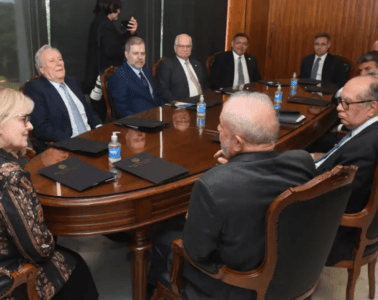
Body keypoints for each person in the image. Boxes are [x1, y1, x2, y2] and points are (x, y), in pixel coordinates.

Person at [147, 91, 316, 299]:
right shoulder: (302, 162)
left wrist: (194, 214)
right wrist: (236, 168)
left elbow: (196, 252)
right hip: (288, 270)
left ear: (237, 142)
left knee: (163, 238)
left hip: (237, 286)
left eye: (221, 127)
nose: (218, 130)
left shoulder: (213, 185)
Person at [0, 86, 99, 300]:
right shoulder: (7, 174)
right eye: (23, 120)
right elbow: (40, 250)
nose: (30, 126)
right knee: (75, 266)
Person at [313, 75, 378, 265]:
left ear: (372, 108)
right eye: (340, 101)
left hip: (337, 236)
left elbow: (331, 197)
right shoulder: (368, 131)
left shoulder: (364, 148)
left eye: (346, 103)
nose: (339, 108)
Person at [24, 45, 102, 153]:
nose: (59, 63)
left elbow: (87, 111)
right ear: (42, 69)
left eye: (60, 59)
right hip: (67, 146)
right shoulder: (35, 88)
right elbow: (41, 128)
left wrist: (100, 127)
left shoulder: (72, 82)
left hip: (91, 139)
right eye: (52, 61)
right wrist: (72, 141)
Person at [83, 0, 138, 121]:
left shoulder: (100, 21)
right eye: (118, 8)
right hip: (104, 78)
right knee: (105, 117)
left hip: (97, 76)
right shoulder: (105, 25)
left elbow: (113, 42)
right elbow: (112, 50)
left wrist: (130, 33)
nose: (119, 12)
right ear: (112, 7)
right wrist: (128, 54)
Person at [109, 36, 163, 118]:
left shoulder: (146, 71)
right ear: (126, 54)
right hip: (138, 123)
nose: (140, 57)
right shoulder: (120, 75)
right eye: (135, 53)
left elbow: (155, 97)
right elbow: (121, 109)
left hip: (155, 118)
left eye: (143, 53)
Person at [156, 34, 209, 103]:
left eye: (188, 46)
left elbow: (204, 87)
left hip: (201, 103)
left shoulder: (197, 64)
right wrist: (177, 103)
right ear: (175, 48)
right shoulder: (167, 65)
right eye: (181, 46)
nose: (185, 49)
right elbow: (162, 90)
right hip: (182, 106)